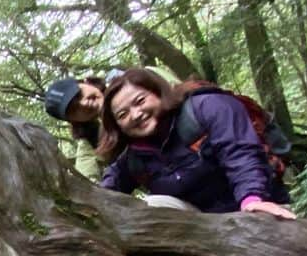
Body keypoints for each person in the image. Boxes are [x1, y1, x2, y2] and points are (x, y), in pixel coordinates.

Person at [96, 68, 296, 220]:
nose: (136, 115)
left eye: (140, 101)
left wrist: (252, 199)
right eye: (123, 115)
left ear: (159, 93)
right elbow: (108, 188)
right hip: (204, 228)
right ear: (117, 126)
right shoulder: (135, 156)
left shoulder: (207, 107)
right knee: (152, 205)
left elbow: (241, 154)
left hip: (258, 204)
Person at [43, 75, 106, 179]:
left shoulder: (127, 83)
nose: (84, 103)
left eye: (78, 95)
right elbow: (86, 175)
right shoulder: (91, 140)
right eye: (74, 109)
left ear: (86, 82)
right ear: (74, 121)